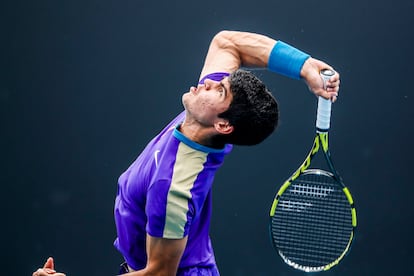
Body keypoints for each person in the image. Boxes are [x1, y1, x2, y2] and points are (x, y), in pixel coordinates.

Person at [33, 30, 340, 276]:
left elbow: (158, 274)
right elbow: (228, 43)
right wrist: (304, 65)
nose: (208, 84)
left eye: (220, 91)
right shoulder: (203, 118)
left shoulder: (174, 187)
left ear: (223, 124)